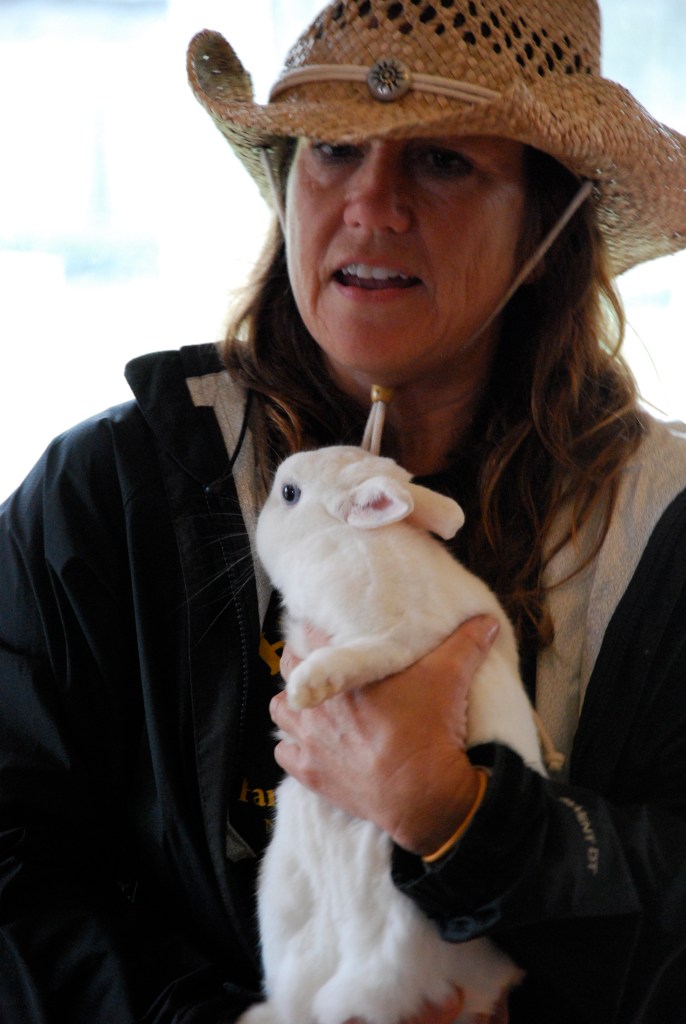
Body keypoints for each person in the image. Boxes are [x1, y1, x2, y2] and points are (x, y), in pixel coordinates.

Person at [1, 0, 686, 1020]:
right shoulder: (102, 497)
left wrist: (463, 818)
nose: (370, 202)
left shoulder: (658, 529)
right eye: (329, 147)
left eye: (440, 160)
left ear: (552, 215)